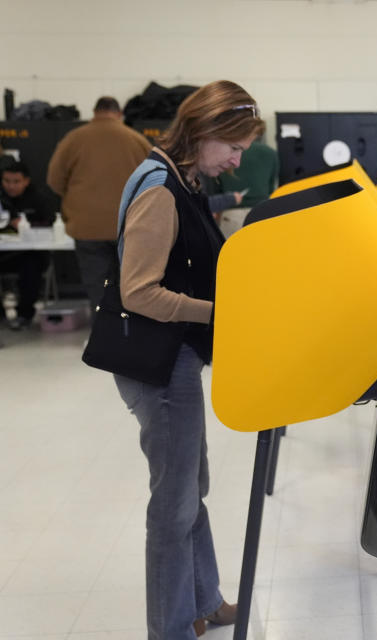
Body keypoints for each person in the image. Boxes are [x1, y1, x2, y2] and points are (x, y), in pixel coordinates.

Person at [113, 80, 264, 639]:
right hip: (158, 365)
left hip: (172, 359)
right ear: (203, 134)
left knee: (189, 486)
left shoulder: (182, 178)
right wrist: (221, 313)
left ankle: (204, 601)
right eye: (234, 146)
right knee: (172, 506)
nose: (237, 158)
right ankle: (171, 628)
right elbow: (138, 292)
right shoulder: (159, 189)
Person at [47, 96, 152, 311]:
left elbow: (54, 180)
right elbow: (155, 181)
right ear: (119, 113)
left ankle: (103, 338)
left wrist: (76, 200)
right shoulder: (137, 140)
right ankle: (130, 337)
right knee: (133, 289)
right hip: (129, 227)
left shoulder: (73, 139)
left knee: (98, 290)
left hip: (87, 228)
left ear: (94, 112)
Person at [0, 161, 56, 329]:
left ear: (26, 181)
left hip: (30, 252)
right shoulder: (1, 197)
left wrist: (26, 227)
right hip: (4, 253)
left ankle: (24, 314)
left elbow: (49, 222)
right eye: (6, 181)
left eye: (16, 181)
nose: (11, 186)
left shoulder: (38, 198)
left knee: (31, 267)